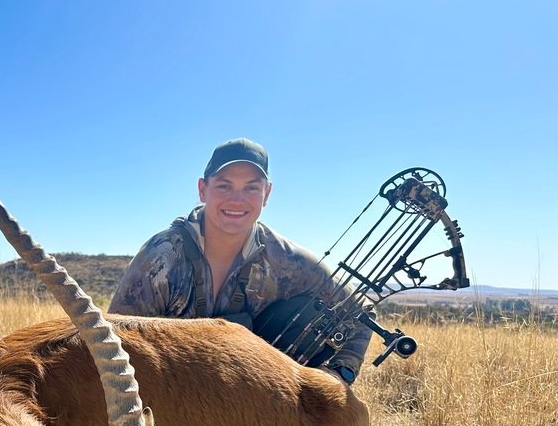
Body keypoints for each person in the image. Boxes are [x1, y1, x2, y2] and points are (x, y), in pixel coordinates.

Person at [108, 138, 372, 384]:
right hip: (171, 395)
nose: (237, 199)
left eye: (251, 188)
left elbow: (360, 313)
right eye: (224, 185)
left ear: (266, 194)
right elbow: (118, 341)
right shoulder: (160, 257)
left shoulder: (287, 260)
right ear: (203, 189)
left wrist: (338, 374)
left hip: (254, 397)